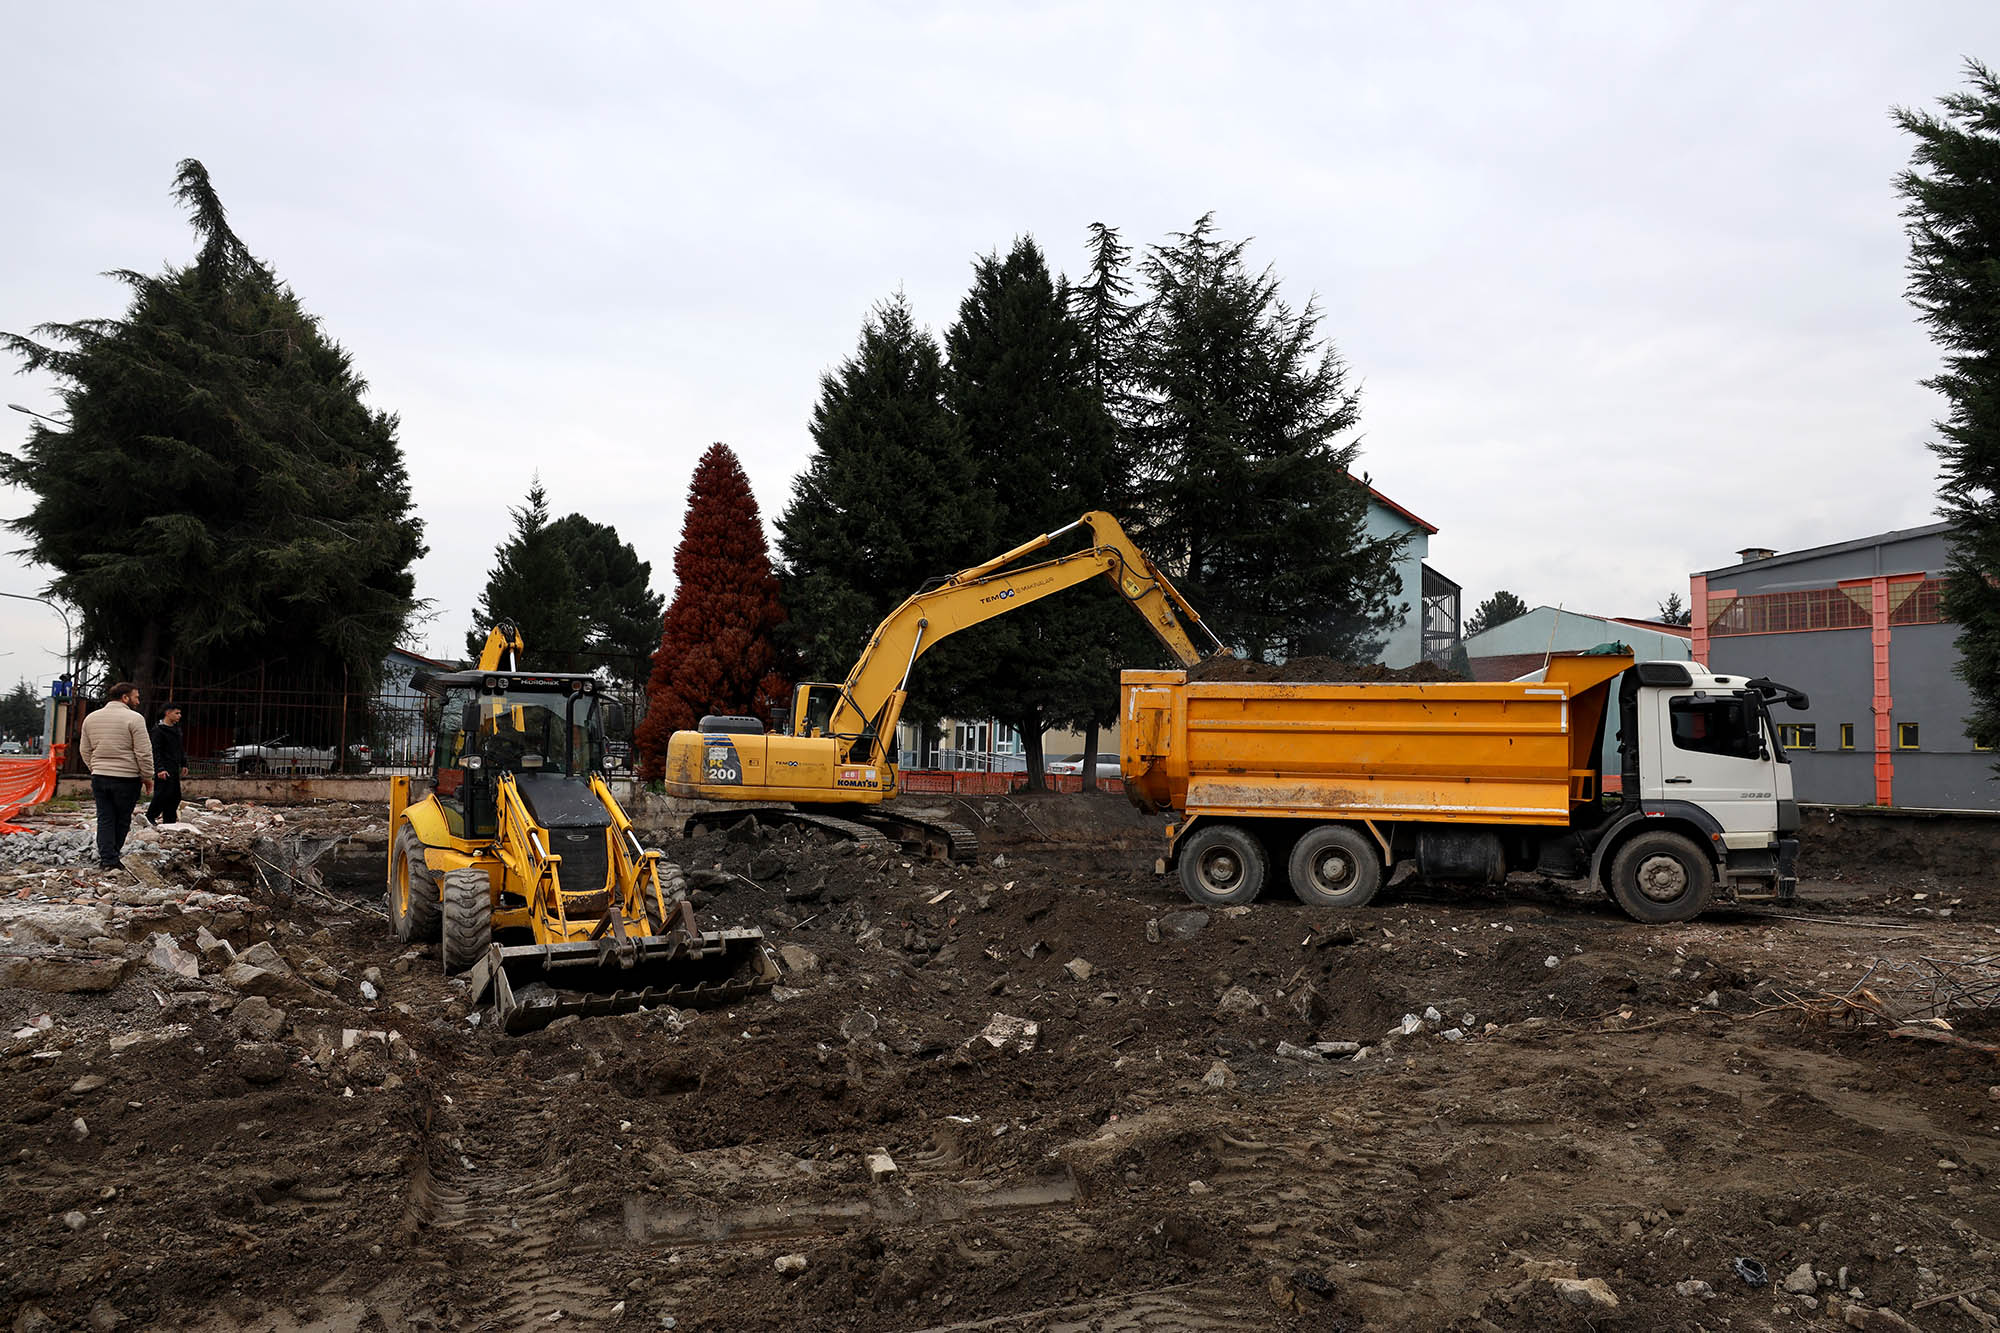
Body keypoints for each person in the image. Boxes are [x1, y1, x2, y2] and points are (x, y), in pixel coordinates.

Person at [78, 682, 152, 872]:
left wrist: (95, 767)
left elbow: (85, 749)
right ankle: (113, 857)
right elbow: (143, 752)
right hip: (126, 778)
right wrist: (147, 776)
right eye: (136, 696)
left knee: (105, 818)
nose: (138, 700)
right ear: (125, 698)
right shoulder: (135, 719)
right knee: (122, 818)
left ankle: (107, 859)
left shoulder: (91, 718)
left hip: (100, 777)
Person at [146, 702, 188, 827]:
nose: (179, 716)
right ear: (167, 713)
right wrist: (159, 768)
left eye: (180, 713)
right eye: (176, 713)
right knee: (162, 794)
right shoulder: (158, 730)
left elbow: (180, 748)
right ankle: (150, 816)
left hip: (174, 766)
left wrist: (184, 763)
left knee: (175, 796)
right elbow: (156, 751)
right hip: (164, 767)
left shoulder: (176, 729)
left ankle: (169, 821)